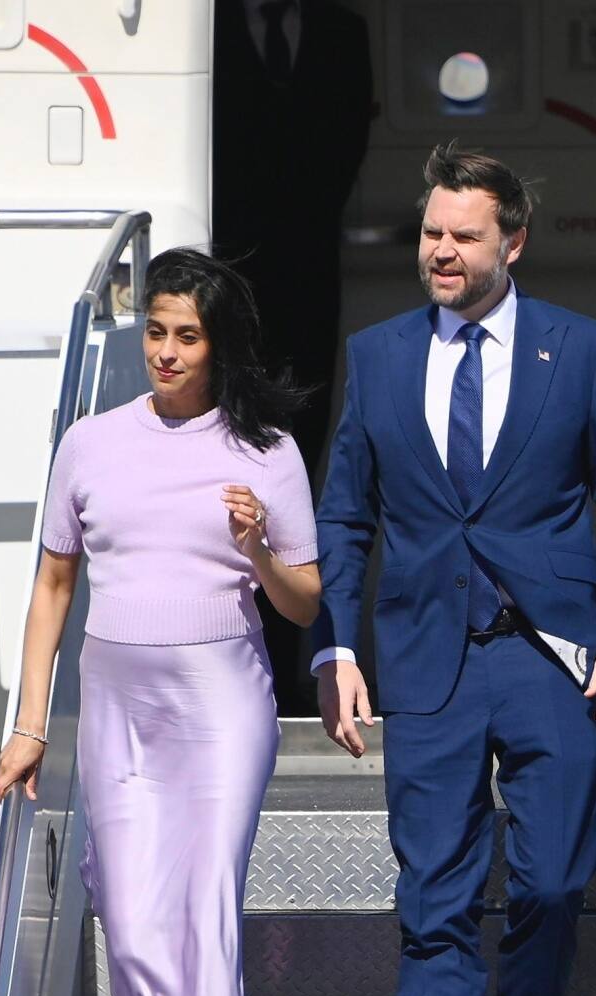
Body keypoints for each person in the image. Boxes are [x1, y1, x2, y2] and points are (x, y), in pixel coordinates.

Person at [312, 145, 596, 996]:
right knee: (435, 914)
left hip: (553, 654)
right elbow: (345, 518)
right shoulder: (374, 359)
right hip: (427, 664)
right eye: (429, 234)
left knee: (556, 876)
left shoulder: (583, 350)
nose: (441, 253)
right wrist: (336, 647)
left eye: (463, 236)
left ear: (512, 240)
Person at [0, 248, 320, 996]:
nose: (167, 352)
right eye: (157, 332)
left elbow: (303, 603)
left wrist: (260, 542)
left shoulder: (265, 450)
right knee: (133, 930)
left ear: (219, 347)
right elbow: (52, 591)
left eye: (188, 336)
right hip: (118, 698)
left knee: (202, 918)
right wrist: (29, 723)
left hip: (221, 697)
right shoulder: (90, 444)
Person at [213, 0, 374, 712]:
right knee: (224, 469)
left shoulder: (341, 32)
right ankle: (234, 659)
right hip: (227, 288)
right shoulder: (208, 28)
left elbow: (345, 151)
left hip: (308, 285)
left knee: (297, 470)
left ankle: (289, 670)